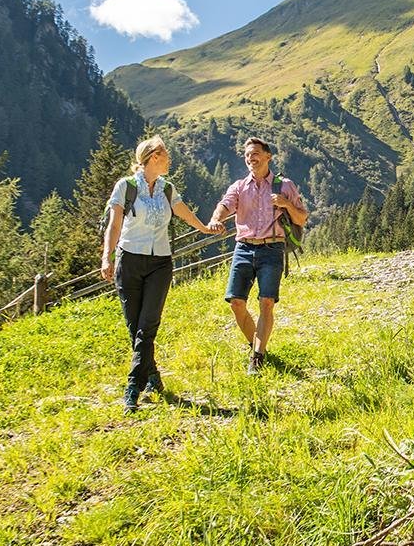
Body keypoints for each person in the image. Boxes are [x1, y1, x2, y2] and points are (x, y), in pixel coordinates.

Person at [101, 136, 214, 413]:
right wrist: (108, 256)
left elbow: (184, 213)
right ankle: (152, 377)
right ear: (153, 158)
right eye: (166, 156)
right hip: (129, 262)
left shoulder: (167, 189)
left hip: (160, 263)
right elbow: (114, 225)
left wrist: (204, 227)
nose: (169, 160)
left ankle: (132, 388)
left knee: (147, 325)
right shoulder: (125, 187)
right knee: (135, 327)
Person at [207, 137, 308, 374]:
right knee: (236, 303)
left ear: (268, 157)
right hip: (243, 247)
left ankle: (258, 357)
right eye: (247, 155)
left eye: (255, 154)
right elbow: (225, 204)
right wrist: (215, 219)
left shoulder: (285, 186)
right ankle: (256, 344)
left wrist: (286, 204)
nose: (250, 158)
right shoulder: (239, 186)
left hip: (272, 248)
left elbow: (302, 218)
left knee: (266, 302)